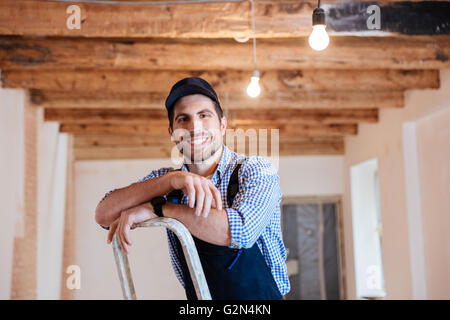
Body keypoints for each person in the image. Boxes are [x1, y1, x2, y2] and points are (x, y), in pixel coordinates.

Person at [95, 77, 290, 300]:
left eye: (204, 115)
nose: (195, 127)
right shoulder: (168, 182)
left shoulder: (255, 170)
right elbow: (104, 215)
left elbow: (240, 231)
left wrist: (161, 209)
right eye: (183, 119)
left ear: (223, 125)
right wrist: (171, 181)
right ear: (172, 132)